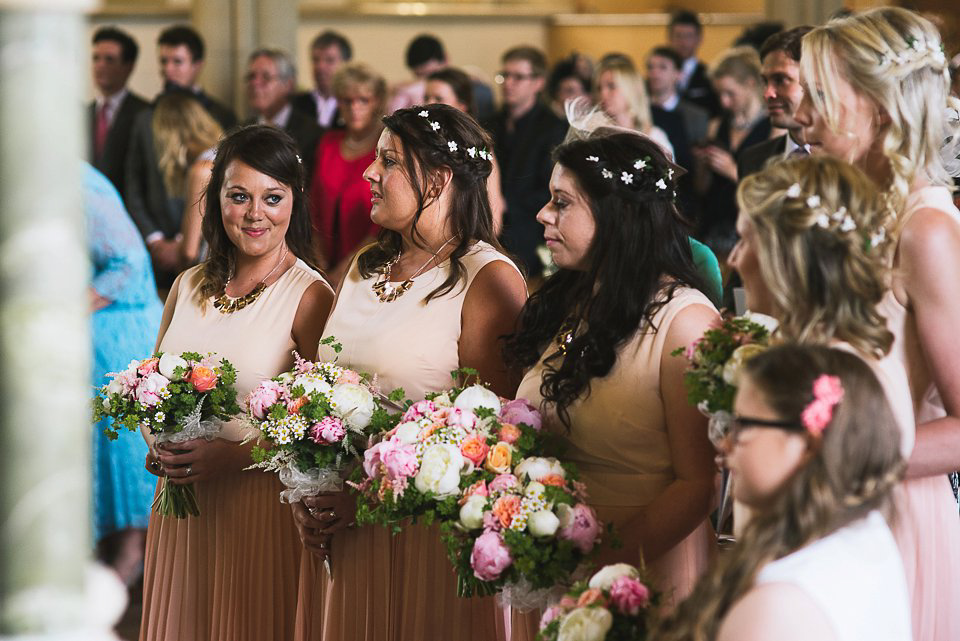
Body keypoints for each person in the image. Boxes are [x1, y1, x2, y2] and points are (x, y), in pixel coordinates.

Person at [291, 104, 527, 641]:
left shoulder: (486, 280)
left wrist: (368, 496)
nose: (368, 173)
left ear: (438, 179)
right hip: (346, 536)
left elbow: (494, 440)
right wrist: (308, 482)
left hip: (428, 534)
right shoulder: (364, 264)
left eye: (389, 161)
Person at [506, 129, 719, 639]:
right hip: (562, 565)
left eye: (561, 203)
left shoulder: (685, 323)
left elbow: (699, 485)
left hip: (644, 572)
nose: (542, 215)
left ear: (616, 215)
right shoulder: (575, 302)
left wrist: (598, 566)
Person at [795, 8, 960, 639]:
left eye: (819, 96)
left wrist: (839, 455)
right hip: (825, 509)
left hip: (890, 516)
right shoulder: (854, 217)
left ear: (883, 110)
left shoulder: (927, 231)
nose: (800, 115)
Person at [139, 125, 334, 641]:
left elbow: (320, 428)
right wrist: (158, 444)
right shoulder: (188, 284)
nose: (255, 214)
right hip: (182, 508)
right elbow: (150, 382)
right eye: (238, 196)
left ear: (294, 202)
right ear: (215, 199)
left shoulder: (310, 296)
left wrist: (230, 455)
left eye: (272, 198)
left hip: (257, 511)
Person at [654, 344, 911, 641]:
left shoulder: (776, 609)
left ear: (809, 445)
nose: (724, 444)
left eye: (743, 425)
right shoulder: (867, 532)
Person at [729, 155, 915, 456]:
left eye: (745, 241)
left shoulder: (838, 379)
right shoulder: (817, 355)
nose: (733, 259)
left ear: (785, 261)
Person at [87, 163, 163, 586]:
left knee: (121, 453)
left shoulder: (78, 186)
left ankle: (133, 553)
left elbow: (129, 262)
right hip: (91, 337)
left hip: (118, 333)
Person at [125, 25, 236, 291]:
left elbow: (188, 253)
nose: (168, 69)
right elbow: (134, 184)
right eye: (163, 61)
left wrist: (184, 242)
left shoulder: (204, 158)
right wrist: (156, 240)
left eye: (177, 61)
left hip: (200, 261)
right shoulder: (146, 116)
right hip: (164, 244)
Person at [485, 46, 568, 279]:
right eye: (504, 75)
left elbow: (550, 188)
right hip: (488, 228)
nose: (508, 83)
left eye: (518, 77)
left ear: (538, 82)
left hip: (530, 234)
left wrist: (502, 203)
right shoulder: (489, 123)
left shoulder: (553, 127)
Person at [309, 62, 386, 284]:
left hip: (371, 267)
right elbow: (313, 207)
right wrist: (320, 267)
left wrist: (343, 272)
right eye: (347, 100)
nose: (354, 108)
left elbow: (382, 225)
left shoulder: (386, 147)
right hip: (322, 264)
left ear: (377, 102)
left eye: (363, 100)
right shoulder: (328, 143)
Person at [693, 46, 771, 261]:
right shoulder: (717, 124)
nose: (724, 102)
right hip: (714, 225)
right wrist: (702, 165)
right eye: (720, 95)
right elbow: (702, 188)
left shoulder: (772, 127)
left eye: (730, 93)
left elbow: (771, 189)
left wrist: (731, 170)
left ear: (750, 84)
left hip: (749, 226)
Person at [425, 67, 505, 234]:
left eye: (438, 98)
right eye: (426, 97)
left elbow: (493, 212)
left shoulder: (478, 149)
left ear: (462, 105)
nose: (428, 104)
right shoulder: (418, 144)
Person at [150, 92, 222, 268]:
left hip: (213, 275)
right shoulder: (222, 155)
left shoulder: (202, 170)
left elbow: (189, 253)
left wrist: (171, 252)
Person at [738, 26, 813, 179]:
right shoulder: (753, 161)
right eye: (765, 81)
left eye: (781, 80)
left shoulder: (853, 157)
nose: (768, 93)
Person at [89, 27, 149, 198]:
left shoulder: (144, 113)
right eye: (96, 58)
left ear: (128, 67)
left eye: (109, 60)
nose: (100, 65)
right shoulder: (83, 114)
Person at [244, 48, 322, 183]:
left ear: (288, 84)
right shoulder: (241, 130)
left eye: (266, 77)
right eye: (251, 76)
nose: (255, 83)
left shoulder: (313, 134)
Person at [646, 46, 709, 173]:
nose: (654, 73)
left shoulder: (697, 116)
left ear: (679, 74)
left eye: (663, 67)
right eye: (650, 67)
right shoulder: (639, 110)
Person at [595, 55, 674, 156]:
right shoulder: (594, 138)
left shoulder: (655, 138)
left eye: (612, 86)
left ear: (631, 89)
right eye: (599, 88)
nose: (603, 94)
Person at [292, 30, 352, 129]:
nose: (320, 67)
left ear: (346, 64)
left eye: (329, 60)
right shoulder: (296, 105)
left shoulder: (353, 106)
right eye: (316, 60)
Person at [668, 10, 721, 118]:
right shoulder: (657, 74)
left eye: (688, 36)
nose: (683, 42)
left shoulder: (710, 76)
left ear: (699, 39)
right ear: (669, 38)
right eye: (678, 36)